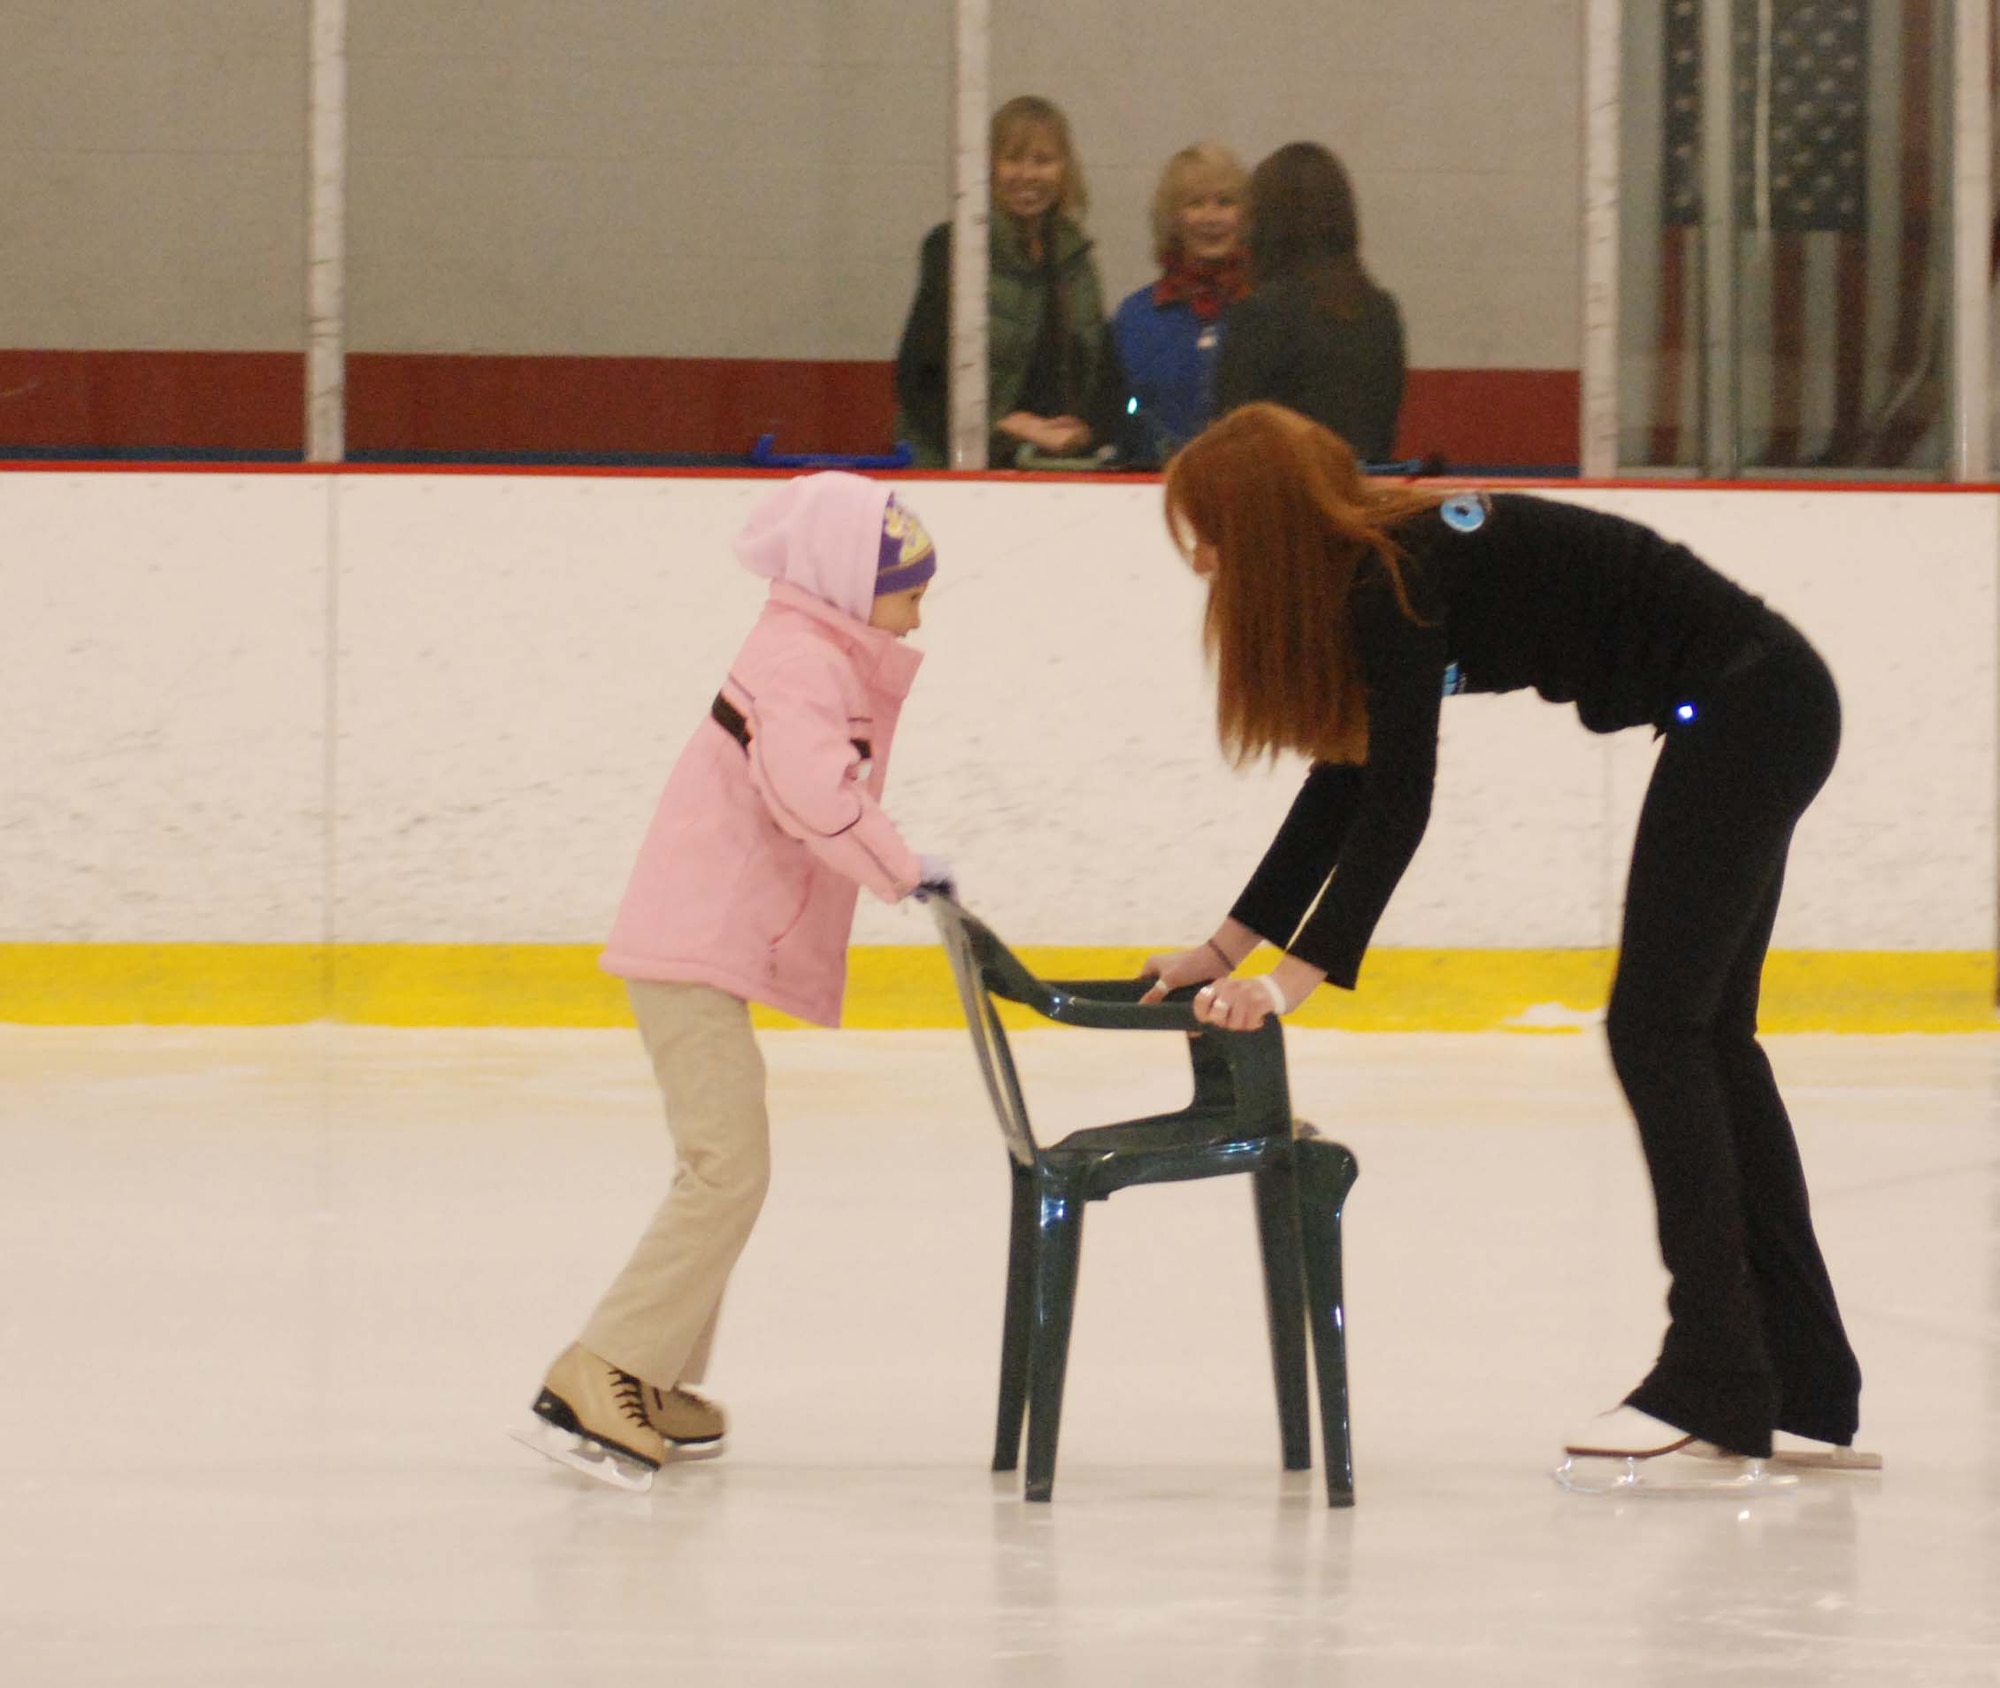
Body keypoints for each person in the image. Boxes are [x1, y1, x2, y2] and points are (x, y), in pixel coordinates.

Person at [1140, 402, 1874, 1476]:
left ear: (1262, 530)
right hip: (1756, 701)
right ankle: (1803, 1383)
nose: (1199, 558)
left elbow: (1397, 802)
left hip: (1749, 706)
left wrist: (1290, 981)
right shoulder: (1379, 570)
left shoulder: (1390, 580)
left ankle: (1714, 1371)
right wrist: (1220, 951)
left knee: (1658, 1033)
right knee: (1703, 1039)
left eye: (1207, 532)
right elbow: (1341, 784)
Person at [518, 472, 951, 1490]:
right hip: (690, 942)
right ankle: (604, 1365)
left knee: (722, 1164)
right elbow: (809, 789)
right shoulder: (801, 660)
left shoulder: (813, 650)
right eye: (907, 584)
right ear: (851, 581)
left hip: (701, 940)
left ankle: (651, 1366)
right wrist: (904, 868)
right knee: (727, 1168)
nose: (921, 606)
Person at [893, 95, 1121, 469]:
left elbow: (1102, 373)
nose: (1028, 175)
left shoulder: (1076, 259)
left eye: (1043, 161)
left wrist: (1084, 429)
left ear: (1065, 170)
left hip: (1051, 468)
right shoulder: (952, 248)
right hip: (952, 467)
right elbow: (919, 380)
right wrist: (1006, 423)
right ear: (988, 167)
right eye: (1013, 159)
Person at [1212, 143, 1405, 465]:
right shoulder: (1382, 311)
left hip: (1283, 501)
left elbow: (1232, 438)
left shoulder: (1261, 314)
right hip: (1360, 496)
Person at [1111, 141, 1251, 466]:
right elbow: (1122, 424)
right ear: (1173, 218)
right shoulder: (1136, 317)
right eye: (1195, 203)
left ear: (1245, 216)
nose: (1211, 217)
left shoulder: (1265, 313)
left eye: (1225, 202)